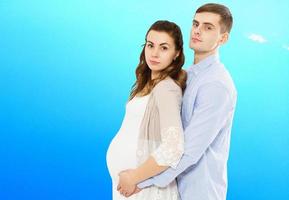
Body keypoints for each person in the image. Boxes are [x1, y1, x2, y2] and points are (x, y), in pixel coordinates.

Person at [121, 3, 237, 200]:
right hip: (174, 188)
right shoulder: (187, 76)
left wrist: (139, 180)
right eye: (196, 24)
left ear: (223, 38)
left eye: (208, 27)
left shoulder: (216, 85)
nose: (198, 31)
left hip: (198, 192)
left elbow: (189, 150)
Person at [106, 20, 187, 200]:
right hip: (132, 188)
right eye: (150, 45)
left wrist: (134, 177)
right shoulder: (147, 83)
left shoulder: (166, 89)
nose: (155, 53)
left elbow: (173, 147)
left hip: (143, 188)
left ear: (176, 53)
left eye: (164, 48)